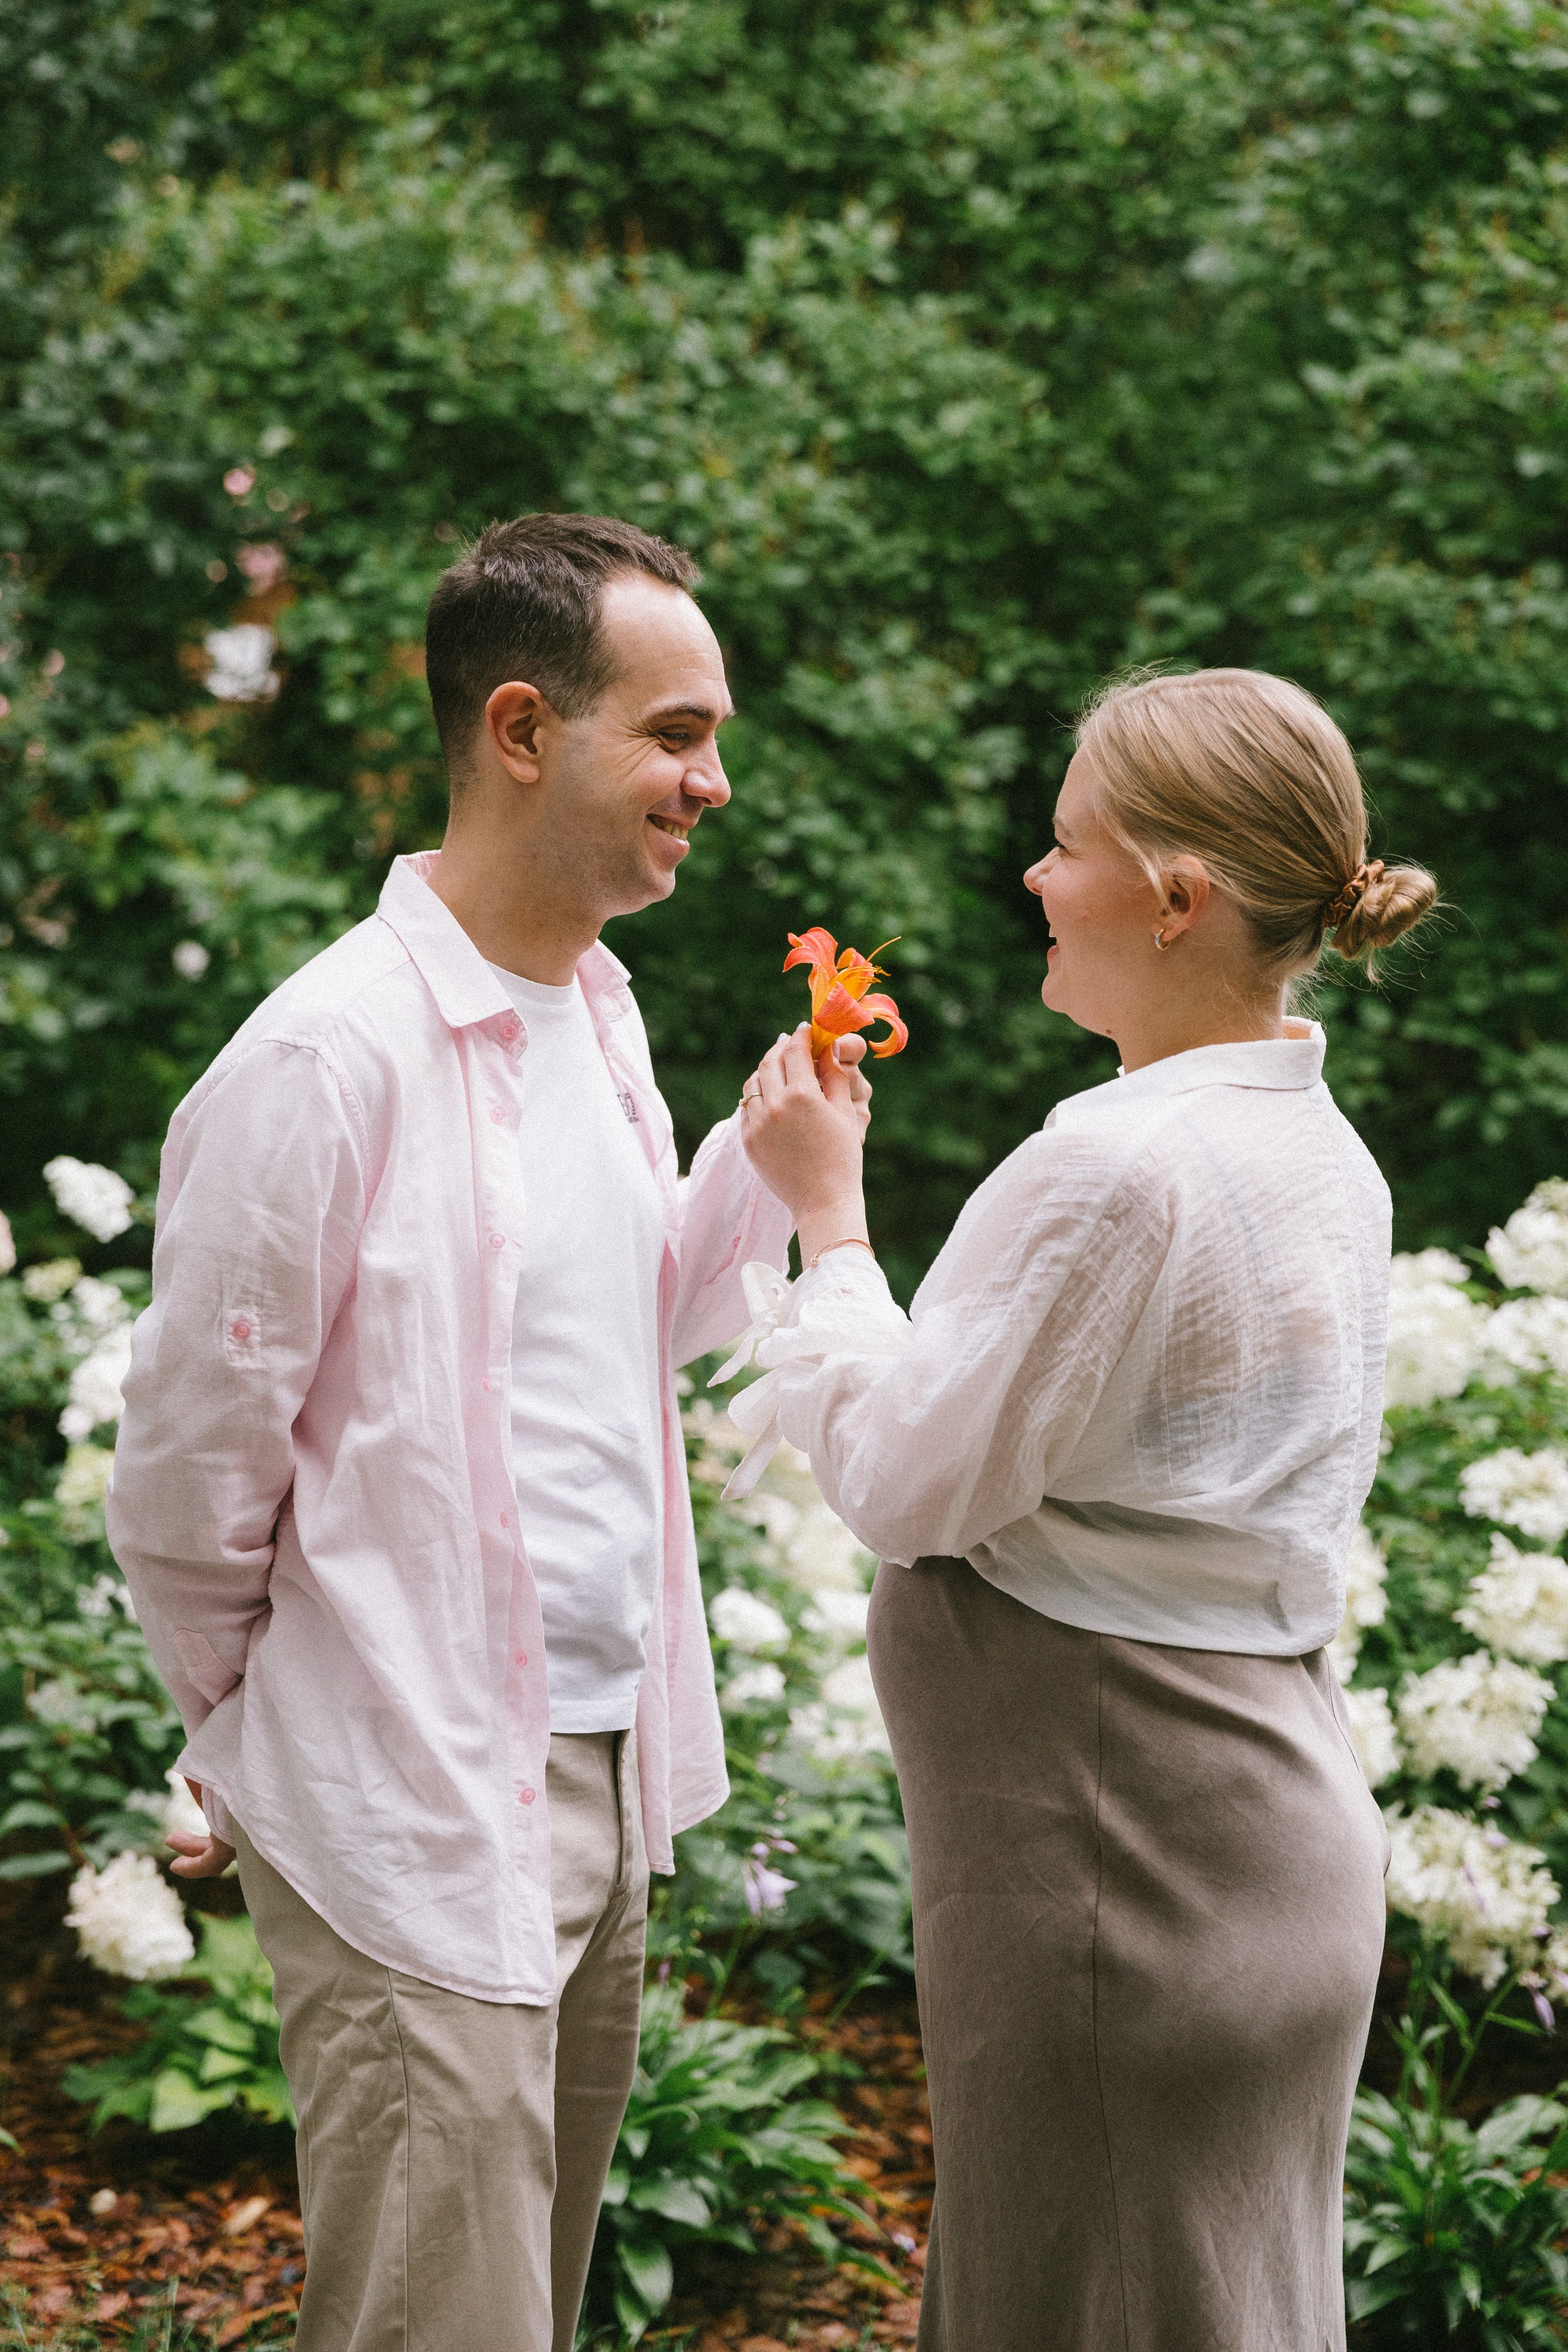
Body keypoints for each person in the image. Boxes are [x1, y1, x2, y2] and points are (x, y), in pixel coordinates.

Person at [106, 513, 827, 2352]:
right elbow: (188, 1483)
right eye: (675, 734)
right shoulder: (320, 1061)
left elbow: (630, 1334)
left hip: (601, 1764)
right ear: (521, 729)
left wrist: (768, 1159)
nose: (714, 782)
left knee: (523, 2312)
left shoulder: (600, 1012)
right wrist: (265, 1733)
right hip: (408, 1796)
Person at [731, 666, 1436, 2352]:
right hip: (1260, 1857)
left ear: (1176, 898)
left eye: (1067, 843)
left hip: (1129, 1890)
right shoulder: (1322, 1156)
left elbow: (905, 1484)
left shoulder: (1121, 1168)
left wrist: (830, 1219)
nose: (1037, 877)